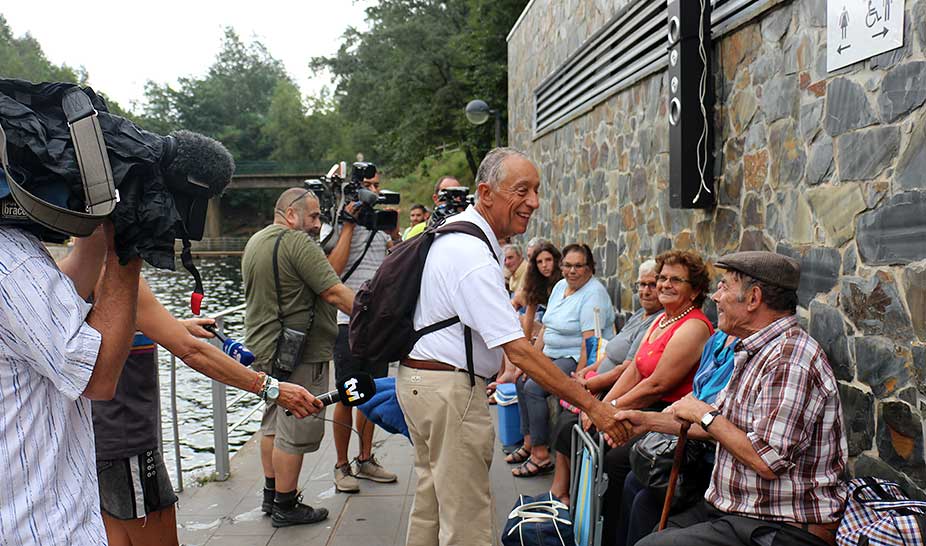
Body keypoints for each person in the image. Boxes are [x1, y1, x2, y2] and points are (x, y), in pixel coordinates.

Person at [395, 147, 628, 546]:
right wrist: (593, 406)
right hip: (447, 393)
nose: (534, 202)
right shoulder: (472, 254)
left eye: (536, 190)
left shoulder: (459, 238)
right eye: (522, 190)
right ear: (485, 193)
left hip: (425, 383)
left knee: (432, 504)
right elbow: (518, 350)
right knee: (466, 518)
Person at [623, 251, 847, 546]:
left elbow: (767, 459)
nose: (716, 297)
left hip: (779, 525)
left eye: (725, 287)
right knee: (651, 531)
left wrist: (702, 412)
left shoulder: (790, 359)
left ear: (753, 298)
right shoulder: (756, 349)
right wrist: (645, 421)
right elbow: (719, 423)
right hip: (739, 510)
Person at [0, 221, 141, 545]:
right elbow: (97, 376)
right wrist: (130, 243)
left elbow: (55, 302)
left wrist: (96, 226)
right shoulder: (12, 260)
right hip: (40, 526)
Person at [242, 187, 355, 527]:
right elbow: (334, 291)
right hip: (299, 353)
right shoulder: (297, 243)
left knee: (274, 421)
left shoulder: (256, 242)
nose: (318, 224)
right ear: (291, 214)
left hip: (264, 349)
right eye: (315, 216)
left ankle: (271, 494)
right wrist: (380, 320)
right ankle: (286, 505)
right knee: (296, 425)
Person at [591, 249, 713, 544]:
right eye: (662, 278)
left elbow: (657, 384)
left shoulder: (694, 326)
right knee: (594, 437)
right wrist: (600, 407)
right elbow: (635, 370)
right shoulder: (661, 320)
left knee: (616, 460)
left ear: (695, 290)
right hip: (646, 404)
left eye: (676, 280)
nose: (664, 285)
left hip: (667, 415)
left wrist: (613, 409)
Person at [545, 258, 664, 504]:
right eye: (641, 284)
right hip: (602, 384)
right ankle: (563, 489)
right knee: (566, 416)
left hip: (614, 390)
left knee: (572, 424)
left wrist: (592, 389)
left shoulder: (657, 322)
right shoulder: (640, 315)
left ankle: (573, 496)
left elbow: (628, 368)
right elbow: (610, 352)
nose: (645, 290)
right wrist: (586, 372)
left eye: (652, 284)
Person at [613, 328, 737, 546]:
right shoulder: (717, 339)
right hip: (688, 436)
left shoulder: (749, 352)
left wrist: (647, 418)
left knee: (643, 497)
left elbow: (659, 385)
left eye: (725, 290)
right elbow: (697, 390)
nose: (717, 298)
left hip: (711, 459)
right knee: (634, 478)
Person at [511, 243, 616, 478]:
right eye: (567, 265)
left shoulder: (593, 294)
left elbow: (588, 344)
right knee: (521, 378)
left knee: (533, 388)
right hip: (552, 351)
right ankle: (529, 443)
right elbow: (547, 328)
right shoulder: (560, 286)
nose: (572, 271)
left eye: (579, 266)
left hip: (573, 357)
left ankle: (540, 456)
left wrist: (579, 379)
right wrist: (532, 360)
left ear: (590, 268)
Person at [326, 170, 398, 493]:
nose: (373, 192)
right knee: (347, 394)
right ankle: (342, 465)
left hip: (376, 324)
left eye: (376, 186)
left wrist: (394, 235)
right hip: (346, 323)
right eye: (367, 187)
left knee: (371, 392)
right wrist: (349, 225)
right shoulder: (338, 225)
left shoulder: (379, 228)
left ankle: (365, 458)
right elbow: (332, 271)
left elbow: (394, 266)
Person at [403, 175, 463, 240]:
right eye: (448, 195)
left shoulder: (469, 225)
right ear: (436, 199)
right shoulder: (418, 231)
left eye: (458, 195)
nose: (455, 200)